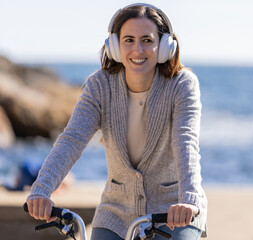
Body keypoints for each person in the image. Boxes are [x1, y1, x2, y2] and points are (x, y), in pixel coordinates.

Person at [26, 3, 207, 240]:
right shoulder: (99, 86)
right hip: (116, 214)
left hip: (172, 210)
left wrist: (189, 200)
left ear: (164, 46)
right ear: (115, 46)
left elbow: (186, 142)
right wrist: (41, 190)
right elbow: (72, 139)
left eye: (147, 40)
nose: (137, 49)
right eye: (129, 40)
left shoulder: (182, 84)